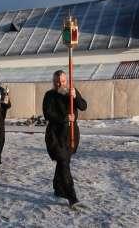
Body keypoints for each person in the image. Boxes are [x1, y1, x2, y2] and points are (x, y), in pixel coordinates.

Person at [42, 70, 87, 207]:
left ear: (66, 81)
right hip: (55, 136)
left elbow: (83, 106)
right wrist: (64, 118)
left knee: (63, 162)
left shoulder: (71, 92)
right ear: (53, 81)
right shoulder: (49, 95)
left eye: (62, 81)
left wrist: (75, 97)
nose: (59, 84)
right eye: (57, 81)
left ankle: (57, 188)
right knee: (63, 162)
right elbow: (47, 114)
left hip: (71, 135)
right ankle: (72, 197)